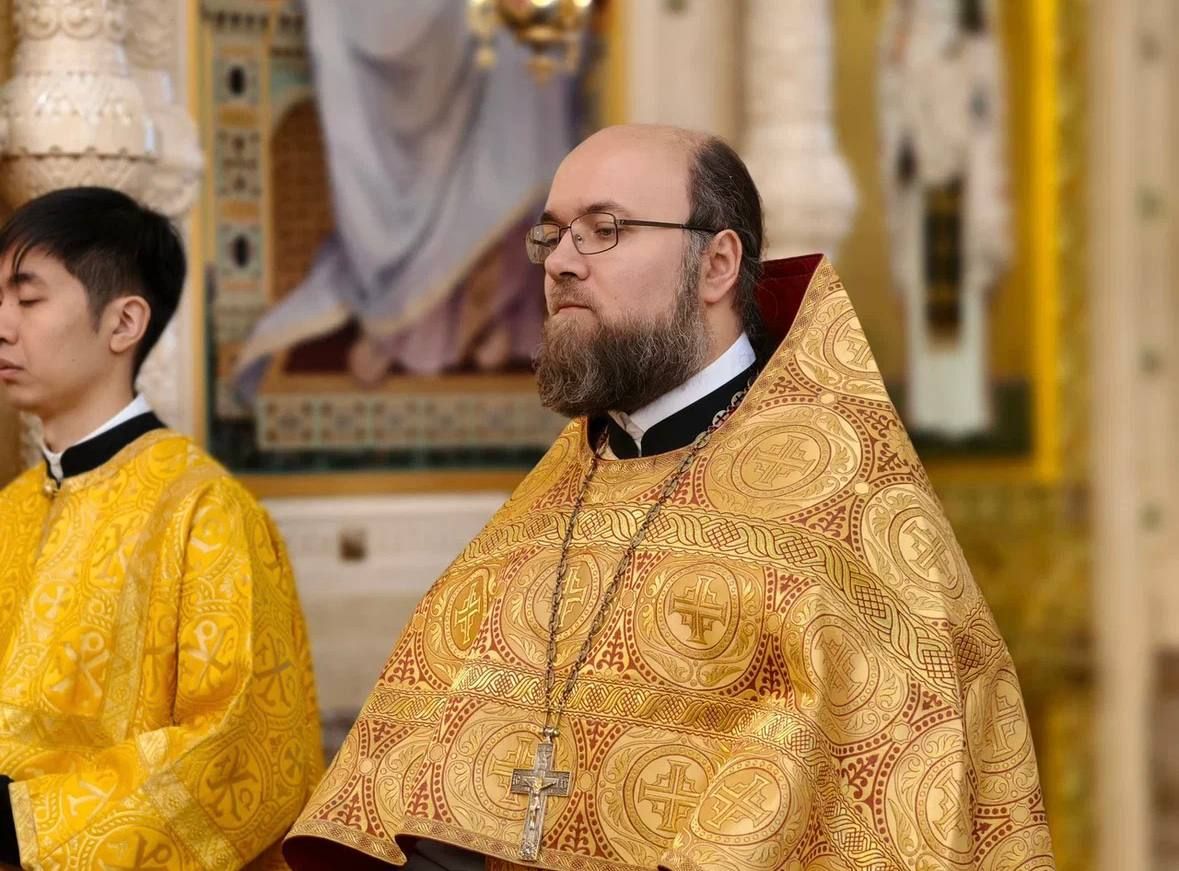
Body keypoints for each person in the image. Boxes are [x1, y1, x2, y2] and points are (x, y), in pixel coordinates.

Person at [283, 125, 1054, 870]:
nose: (561, 264)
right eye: (551, 235)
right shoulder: (539, 516)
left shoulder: (842, 515)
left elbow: (883, 801)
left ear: (715, 264)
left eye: (605, 230)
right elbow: (411, 800)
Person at [0, 187, 323, 869]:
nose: (3, 323)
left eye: (27, 300)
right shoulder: (14, 507)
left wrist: (26, 822)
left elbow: (243, 745)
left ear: (124, 323)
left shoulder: (205, 511)